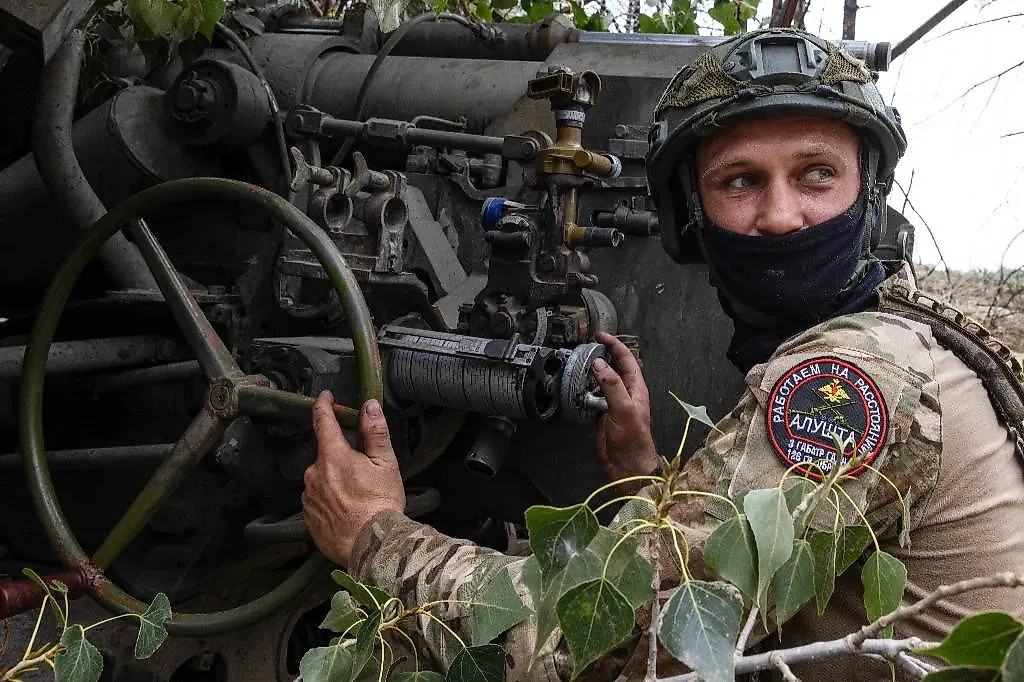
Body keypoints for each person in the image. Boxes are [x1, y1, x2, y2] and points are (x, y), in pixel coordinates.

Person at [301, 28, 1024, 680]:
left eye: (815, 175)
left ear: (866, 191)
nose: (778, 216)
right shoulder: (892, 330)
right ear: (690, 216)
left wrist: (376, 536)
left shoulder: (846, 378)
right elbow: (734, 566)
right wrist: (649, 475)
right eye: (741, 181)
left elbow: (587, 640)